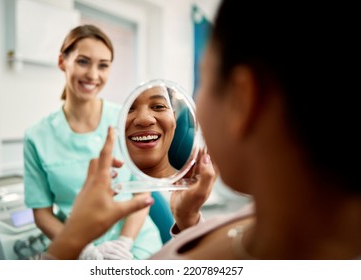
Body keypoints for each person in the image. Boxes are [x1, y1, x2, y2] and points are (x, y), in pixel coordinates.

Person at [45, 0, 361, 260]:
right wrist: (188, 220)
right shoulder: (253, 226)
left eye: (203, 78)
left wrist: (68, 244)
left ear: (242, 100)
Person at [23, 24, 162, 260]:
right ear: (62, 62)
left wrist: (124, 244)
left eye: (103, 65)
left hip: (134, 242)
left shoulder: (127, 120)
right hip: (75, 246)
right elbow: (42, 214)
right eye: (83, 61)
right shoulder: (37, 137)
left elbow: (142, 195)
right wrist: (82, 249)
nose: (93, 75)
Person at [125, 86, 177, 178]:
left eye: (158, 106)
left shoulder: (200, 187)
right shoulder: (95, 188)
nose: (144, 119)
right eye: (128, 108)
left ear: (174, 118)